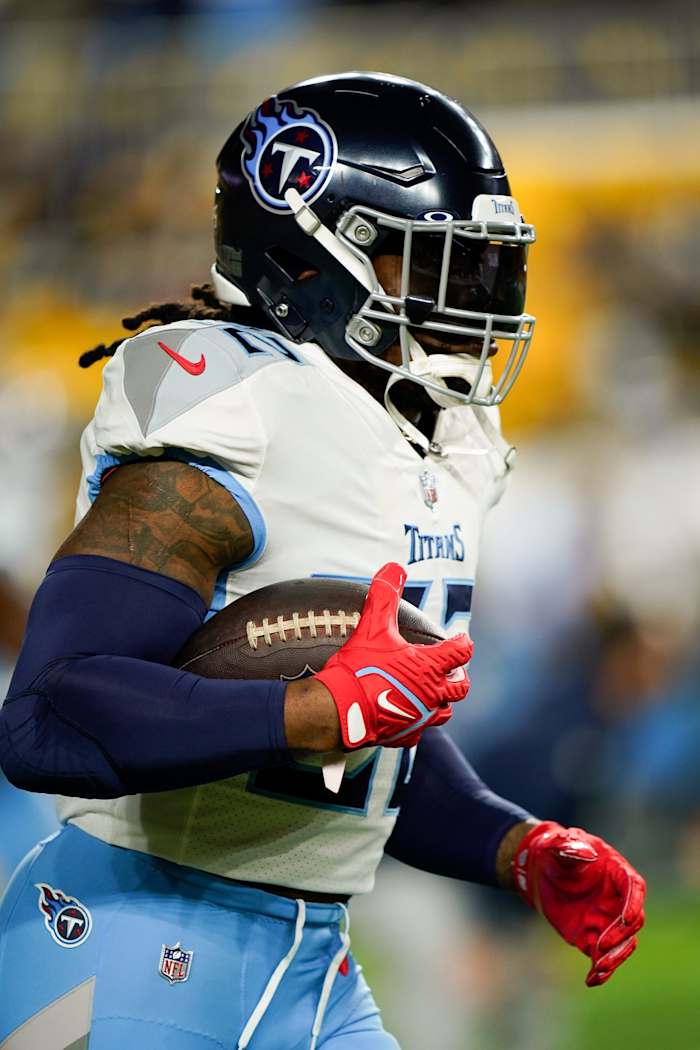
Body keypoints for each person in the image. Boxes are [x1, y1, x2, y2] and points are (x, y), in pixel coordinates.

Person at [0, 72, 644, 1050]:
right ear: (309, 261)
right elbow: (47, 716)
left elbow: (363, 750)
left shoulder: (434, 439)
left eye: (480, 270)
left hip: (312, 962)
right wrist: (311, 710)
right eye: (429, 266)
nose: (469, 303)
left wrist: (513, 847)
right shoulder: (236, 409)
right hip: (128, 938)